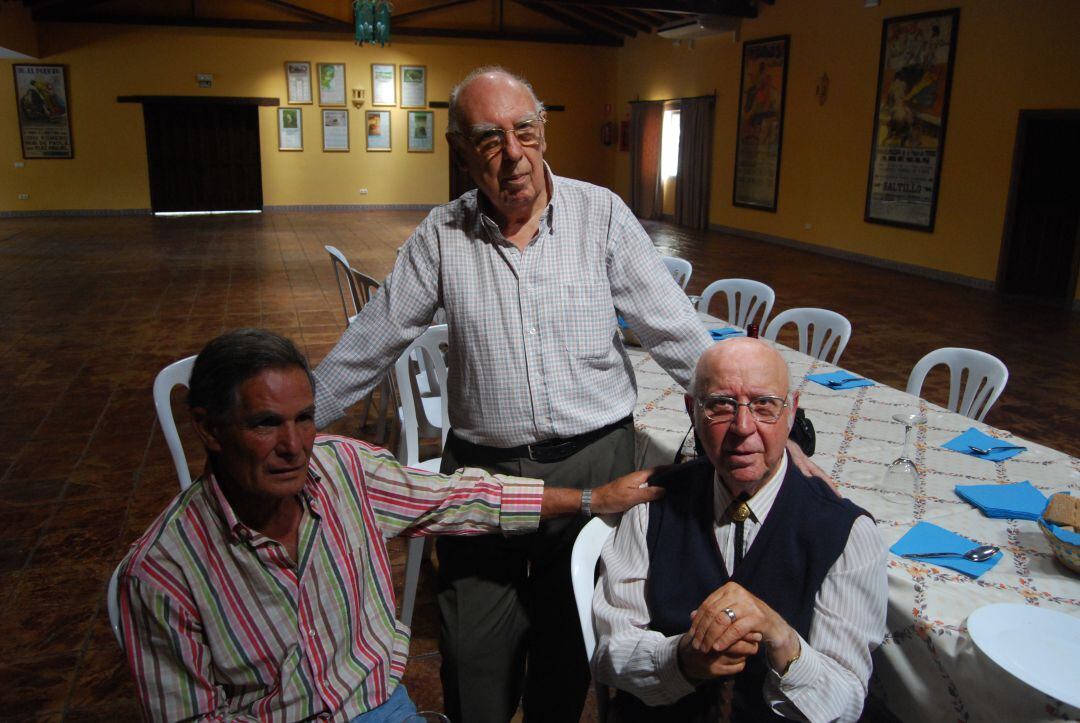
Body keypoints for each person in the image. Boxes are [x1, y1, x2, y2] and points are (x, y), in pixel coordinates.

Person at [312, 66, 713, 722]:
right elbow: (370, 344)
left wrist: (751, 413)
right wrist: (290, 425)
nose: (513, 154)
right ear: (462, 153)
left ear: (544, 133)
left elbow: (678, 332)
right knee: (472, 644)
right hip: (481, 472)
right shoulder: (442, 237)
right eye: (489, 139)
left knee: (569, 641)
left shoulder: (600, 214)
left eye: (524, 130)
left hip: (597, 461)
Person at [116, 329, 662, 722]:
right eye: (265, 424)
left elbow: (465, 497)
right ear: (210, 431)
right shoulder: (163, 574)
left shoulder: (345, 469)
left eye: (305, 419)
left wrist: (590, 497)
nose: (293, 446)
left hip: (380, 705)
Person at [593, 338, 887, 722]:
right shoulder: (654, 506)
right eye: (720, 405)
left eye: (764, 405)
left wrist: (782, 640)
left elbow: (845, 703)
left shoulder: (847, 533)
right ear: (692, 412)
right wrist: (682, 658)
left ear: (791, 411)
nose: (743, 428)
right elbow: (610, 654)